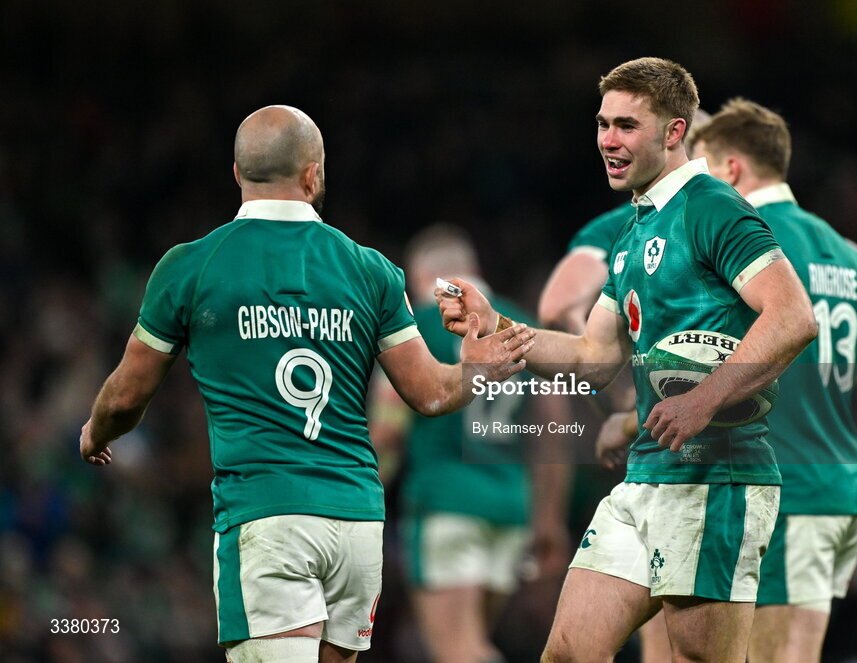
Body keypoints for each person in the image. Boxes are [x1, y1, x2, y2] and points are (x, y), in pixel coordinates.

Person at [78, 105, 534, 663]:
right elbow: (431, 393)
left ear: (238, 174)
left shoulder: (191, 266)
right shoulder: (371, 270)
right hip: (357, 526)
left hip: (267, 518)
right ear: (314, 175)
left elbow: (126, 397)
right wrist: (477, 368)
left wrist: (95, 432)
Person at [438, 58, 818, 663]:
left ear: (673, 132)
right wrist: (497, 325)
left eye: (626, 126)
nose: (608, 141)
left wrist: (703, 398)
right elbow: (591, 356)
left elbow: (794, 316)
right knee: (566, 653)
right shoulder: (634, 232)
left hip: (716, 478)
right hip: (645, 481)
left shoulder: (712, 208)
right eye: (602, 124)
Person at [681, 98, 857, 662]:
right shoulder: (847, 254)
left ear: (730, 169)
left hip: (786, 493)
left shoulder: (741, 245)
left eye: (704, 167)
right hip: (843, 495)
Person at [369, 224, 571, 663]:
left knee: (457, 651)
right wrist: (548, 517)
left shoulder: (416, 326)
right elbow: (554, 428)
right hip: (510, 509)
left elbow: (387, 430)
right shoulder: (521, 324)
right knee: (474, 642)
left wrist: (359, 501)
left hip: (444, 506)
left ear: (422, 279)